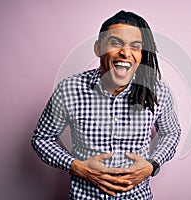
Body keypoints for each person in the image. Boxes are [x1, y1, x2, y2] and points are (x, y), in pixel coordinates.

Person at [31, 10, 181, 200]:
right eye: (116, 43)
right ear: (98, 48)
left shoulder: (156, 91)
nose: (125, 53)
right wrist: (77, 167)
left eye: (135, 46)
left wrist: (153, 164)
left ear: (142, 54)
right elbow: (42, 138)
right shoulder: (69, 89)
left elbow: (171, 132)